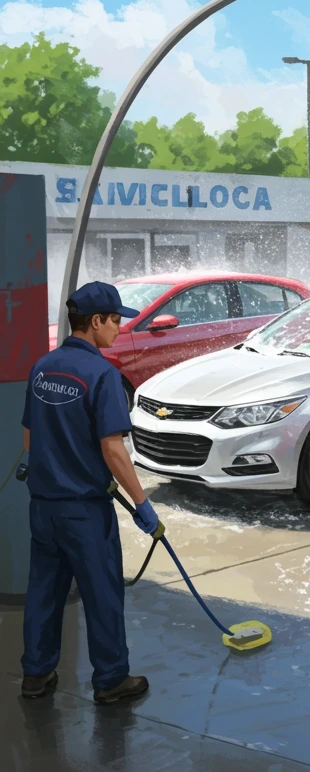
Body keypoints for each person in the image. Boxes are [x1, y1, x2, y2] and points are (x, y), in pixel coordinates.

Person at [21, 281, 156, 704]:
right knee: (102, 595)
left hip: (43, 508)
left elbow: (29, 437)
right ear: (95, 322)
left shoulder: (43, 367)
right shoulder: (102, 375)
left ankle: (37, 675)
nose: (119, 328)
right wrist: (142, 503)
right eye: (115, 320)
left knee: (44, 593)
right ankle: (112, 679)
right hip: (83, 511)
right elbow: (113, 448)